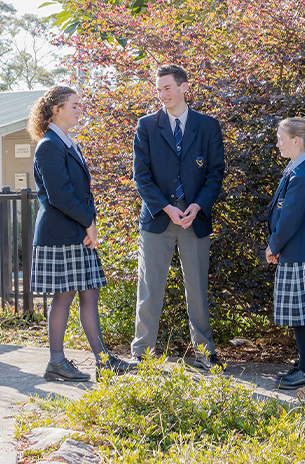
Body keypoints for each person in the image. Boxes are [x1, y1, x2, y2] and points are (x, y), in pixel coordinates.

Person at [29, 85, 136, 382]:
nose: (80, 109)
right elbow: (60, 196)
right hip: (60, 234)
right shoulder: (49, 145)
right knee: (64, 297)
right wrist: (89, 222)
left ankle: (103, 360)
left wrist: (90, 223)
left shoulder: (65, 142)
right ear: (56, 110)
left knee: (90, 293)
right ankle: (56, 362)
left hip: (77, 231)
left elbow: (81, 192)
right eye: (74, 105)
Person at [130, 64, 228, 369]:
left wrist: (197, 206)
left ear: (184, 87)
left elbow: (215, 173)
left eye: (167, 88)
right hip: (158, 220)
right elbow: (141, 177)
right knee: (149, 289)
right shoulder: (146, 126)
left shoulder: (208, 126)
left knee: (197, 289)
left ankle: (204, 353)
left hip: (194, 219)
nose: (161, 95)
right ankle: (142, 353)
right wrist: (166, 207)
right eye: (158, 89)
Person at [266, 117, 305, 390]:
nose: (277, 143)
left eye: (281, 139)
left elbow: (289, 218)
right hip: (295, 253)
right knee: (298, 313)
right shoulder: (295, 169)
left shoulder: (301, 176)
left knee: (300, 314)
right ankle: (304, 365)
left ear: (296, 141)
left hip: (297, 254)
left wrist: (273, 246)